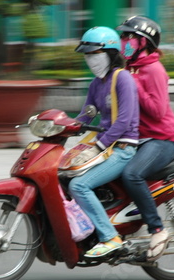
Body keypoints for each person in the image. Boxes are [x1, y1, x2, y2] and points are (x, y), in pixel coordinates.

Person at [69, 26, 139, 258]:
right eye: (87, 55)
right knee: (65, 173)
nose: (90, 59)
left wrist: (99, 145)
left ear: (110, 53)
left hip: (122, 148)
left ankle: (110, 237)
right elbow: (85, 116)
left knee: (78, 185)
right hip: (105, 145)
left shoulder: (123, 79)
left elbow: (124, 121)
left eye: (95, 54)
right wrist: (59, 128)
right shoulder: (95, 84)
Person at [116, 16, 174, 261]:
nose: (123, 41)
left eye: (128, 37)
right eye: (122, 37)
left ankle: (157, 229)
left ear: (143, 42)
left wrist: (133, 83)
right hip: (135, 138)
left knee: (132, 174)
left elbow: (157, 111)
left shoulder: (153, 69)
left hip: (160, 140)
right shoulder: (127, 69)